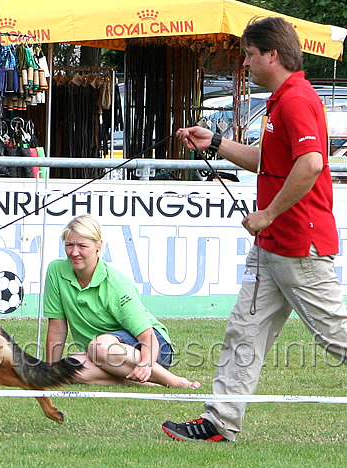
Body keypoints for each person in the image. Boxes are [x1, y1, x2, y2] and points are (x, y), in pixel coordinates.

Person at [162, 16, 347, 442]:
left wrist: (267, 214)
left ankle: (219, 421)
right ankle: (218, 423)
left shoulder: (298, 99)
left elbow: (312, 164)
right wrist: (214, 142)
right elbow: (265, 159)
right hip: (273, 247)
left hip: (300, 245)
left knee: (336, 336)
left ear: (272, 55)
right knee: (244, 332)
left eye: (248, 54)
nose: (244, 63)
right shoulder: (282, 100)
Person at [44, 214, 201, 389]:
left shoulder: (117, 284)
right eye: (69, 245)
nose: (74, 252)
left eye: (82, 246)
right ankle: (143, 383)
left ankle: (173, 381)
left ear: (98, 246)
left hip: (151, 349)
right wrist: (51, 371)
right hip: (101, 354)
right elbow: (57, 327)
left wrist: (146, 363)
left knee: (99, 347)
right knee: (68, 369)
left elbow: (147, 335)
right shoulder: (56, 271)